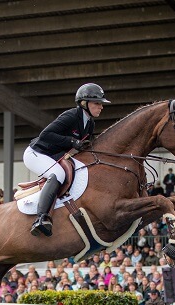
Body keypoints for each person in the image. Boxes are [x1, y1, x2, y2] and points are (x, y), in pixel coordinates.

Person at [24, 83, 110, 237]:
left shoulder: (90, 123)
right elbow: (45, 135)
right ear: (84, 103)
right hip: (36, 153)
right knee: (58, 174)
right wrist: (72, 142)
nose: (101, 107)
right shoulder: (70, 116)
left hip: (53, 156)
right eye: (97, 103)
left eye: (101, 104)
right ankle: (41, 217)